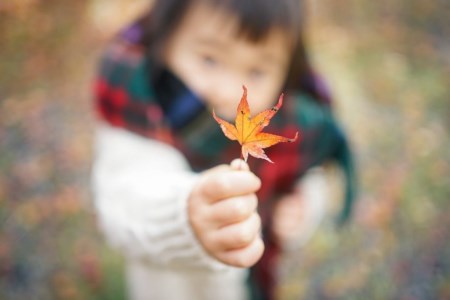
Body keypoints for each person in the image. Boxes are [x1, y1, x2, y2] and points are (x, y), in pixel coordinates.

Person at [92, 0, 356, 299]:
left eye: (257, 71)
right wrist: (185, 215)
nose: (231, 92)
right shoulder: (140, 107)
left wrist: (305, 204)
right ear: (164, 40)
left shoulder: (290, 122)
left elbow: (308, 172)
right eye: (210, 59)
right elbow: (125, 199)